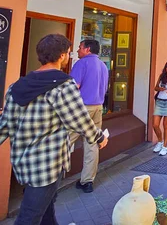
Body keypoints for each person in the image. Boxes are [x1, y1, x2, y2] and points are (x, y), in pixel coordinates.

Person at [0, 34, 108, 225]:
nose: (70, 55)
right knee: (30, 216)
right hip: (48, 164)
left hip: (23, 163)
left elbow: (5, 126)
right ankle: (87, 179)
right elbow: (79, 120)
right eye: (68, 52)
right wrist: (99, 138)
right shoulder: (62, 85)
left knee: (46, 209)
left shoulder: (15, 87)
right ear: (62, 56)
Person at [69, 39, 109, 193]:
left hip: (81, 107)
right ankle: (87, 181)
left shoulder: (81, 64)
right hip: (98, 107)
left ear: (87, 49)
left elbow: (73, 87)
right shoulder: (103, 66)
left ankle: (48, 179)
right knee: (92, 143)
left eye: (79, 47)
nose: (77, 50)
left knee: (65, 141)